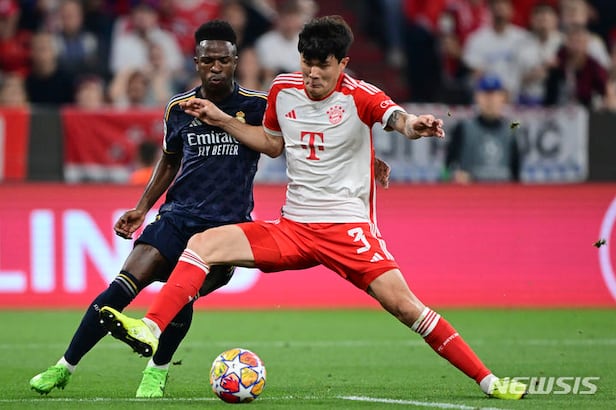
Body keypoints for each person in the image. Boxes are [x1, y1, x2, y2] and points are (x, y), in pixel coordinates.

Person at [99, 15, 528, 400]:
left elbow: (397, 119)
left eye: (323, 65)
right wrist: (223, 119)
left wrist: (415, 125)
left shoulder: (361, 96)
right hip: (294, 228)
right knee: (202, 244)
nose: (313, 74)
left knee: (406, 307)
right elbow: (272, 143)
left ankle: (489, 381)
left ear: (342, 64)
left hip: (348, 231)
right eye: (307, 62)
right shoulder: (283, 90)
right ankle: (150, 328)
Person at [29, 20, 269, 398]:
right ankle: (63, 367)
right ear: (196, 62)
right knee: (122, 285)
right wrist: (142, 208)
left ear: (235, 61)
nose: (216, 67)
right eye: (208, 60)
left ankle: (156, 372)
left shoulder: (257, 107)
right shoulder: (179, 108)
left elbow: (278, 144)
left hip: (225, 229)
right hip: (178, 216)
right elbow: (170, 160)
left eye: (223, 60)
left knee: (179, 291)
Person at [445, 73, 520, 184]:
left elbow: (516, 176)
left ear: (503, 97)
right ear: (477, 97)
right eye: (485, 94)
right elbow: (446, 169)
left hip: (503, 191)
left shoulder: (511, 132)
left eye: (494, 94)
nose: (490, 99)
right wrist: (454, 175)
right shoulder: (463, 128)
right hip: (471, 192)